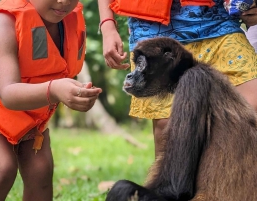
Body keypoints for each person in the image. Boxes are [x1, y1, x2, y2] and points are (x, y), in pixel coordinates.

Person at [0, 0, 102, 200]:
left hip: (29, 102)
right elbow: (8, 93)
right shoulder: (4, 23)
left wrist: (77, 94)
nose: (64, 2)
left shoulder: (66, 20)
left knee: (40, 168)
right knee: (1, 167)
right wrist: (56, 89)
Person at [98, 0, 257, 157]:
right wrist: (107, 26)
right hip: (155, 33)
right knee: (168, 127)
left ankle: (230, 177)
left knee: (252, 104)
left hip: (219, 23)